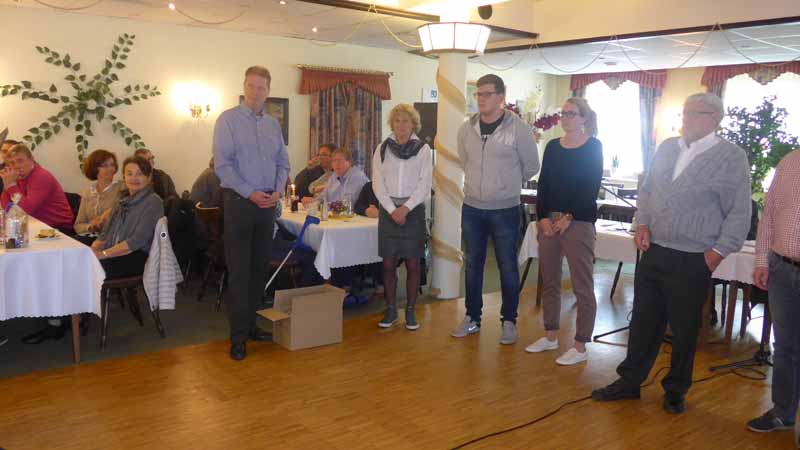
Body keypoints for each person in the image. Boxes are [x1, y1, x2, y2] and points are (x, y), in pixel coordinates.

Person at [591, 93, 752, 415]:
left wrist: (717, 253)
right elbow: (648, 190)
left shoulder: (731, 157)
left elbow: (739, 211)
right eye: (685, 112)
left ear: (714, 118)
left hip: (693, 257)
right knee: (643, 323)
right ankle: (629, 381)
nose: (686, 119)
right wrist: (642, 223)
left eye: (694, 113)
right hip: (654, 250)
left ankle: (676, 390)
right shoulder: (667, 148)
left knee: (684, 328)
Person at [450, 74, 539, 345]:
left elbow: (531, 166)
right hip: (472, 207)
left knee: (507, 266)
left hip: (505, 209)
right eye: (478, 94)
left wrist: (504, 182)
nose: (481, 99)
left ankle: (509, 321)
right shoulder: (466, 129)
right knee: (472, 265)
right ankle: (472, 317)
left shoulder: (518, 128)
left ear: (501, 97)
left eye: (487, 94)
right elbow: (464, 161)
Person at [213, 65, 290, 361]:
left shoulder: (273, 125)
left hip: (267, 205)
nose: (256, 92)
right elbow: (223, 166)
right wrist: (250, 192)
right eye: (251, 86)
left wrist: (278, 190)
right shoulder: (227, 120)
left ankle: (252, 327)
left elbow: (283, 162)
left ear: (268, 91)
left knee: (259, 270)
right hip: (240, 204)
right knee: (240, 273)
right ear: (244, 86)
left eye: (262, 87)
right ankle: (238, 339)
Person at [525, 98, 603, 365]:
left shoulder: (593, 147)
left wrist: (569, 217)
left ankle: (580, 346)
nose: (566, 117)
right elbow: (544, 185)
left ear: (584, 118)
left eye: (572, 113)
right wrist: (542, 217)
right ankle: (550, 336)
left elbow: (590, 186)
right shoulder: (552, 147)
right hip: (550, 221)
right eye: (564, 113)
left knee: (582, 285)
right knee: (549, 281)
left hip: (578, 223)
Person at [747, 149, 800, 433]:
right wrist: (761, 261)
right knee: (786, 347)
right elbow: (768, 216)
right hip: (782, 269)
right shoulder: (790, 162)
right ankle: (784, 412)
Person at [372, 104, 432, 330]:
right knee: (388, 264)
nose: (401, 125)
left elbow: (425, 184)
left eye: (405, 121)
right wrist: (391, 209)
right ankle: (390, 310)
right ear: (392, 124)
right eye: (397, 121)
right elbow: (377, 182)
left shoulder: (423, 150)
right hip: (388, 211)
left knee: (413, 263)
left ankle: (410, 311)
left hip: (413, 212)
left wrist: (405, 208)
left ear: (413, 124)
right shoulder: (382, 148)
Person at [91, 155, 163, 278]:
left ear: (149, 177)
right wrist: (93, 250)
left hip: (138, 256)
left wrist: (103, 254)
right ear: (124, 177)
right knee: (78, 258)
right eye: (129, 174)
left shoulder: (153, 201)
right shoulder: (122, 199)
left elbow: (137, 241)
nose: (134, 178)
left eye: (140, 174)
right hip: (114, 249)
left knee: (88, 268)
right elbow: (105, 233)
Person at [0, 144, 74, 233]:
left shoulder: (41, 176)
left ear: (31, 159)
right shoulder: (16, 177)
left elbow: (24, 210)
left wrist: (11, 185)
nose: (16, 166)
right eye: (12, 163)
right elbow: (7, 208)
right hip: (35, 225)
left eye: (20, 161)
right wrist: (7, 185)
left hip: (59, 228)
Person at [74, 149, 122, 240]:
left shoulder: (122, 188)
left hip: (111, 239)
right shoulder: (88, 192)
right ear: (94, 168)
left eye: (112, 165)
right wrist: (90, 226)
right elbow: (78, 226)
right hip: (90, 237)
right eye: (105, 165)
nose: (110, 169)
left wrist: (102, 222)